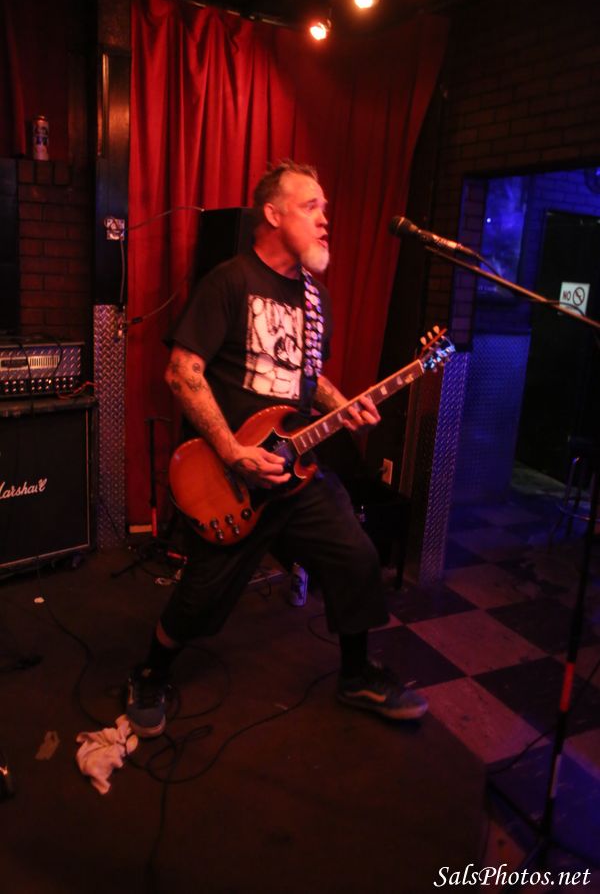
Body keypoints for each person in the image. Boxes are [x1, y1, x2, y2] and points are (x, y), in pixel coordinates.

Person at [126, 159, 428, 737]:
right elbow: (182, 372)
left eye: (325, 209)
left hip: (298, 470)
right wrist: (232, 452)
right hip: (233, 474)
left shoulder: (316, 299)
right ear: (272, 214)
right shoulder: (229, 282)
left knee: (356, 556)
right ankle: (150, 671)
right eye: (310, 207)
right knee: (200, 595)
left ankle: (356, 675)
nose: (325, 220)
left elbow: (308, 379)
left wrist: (344, 405)